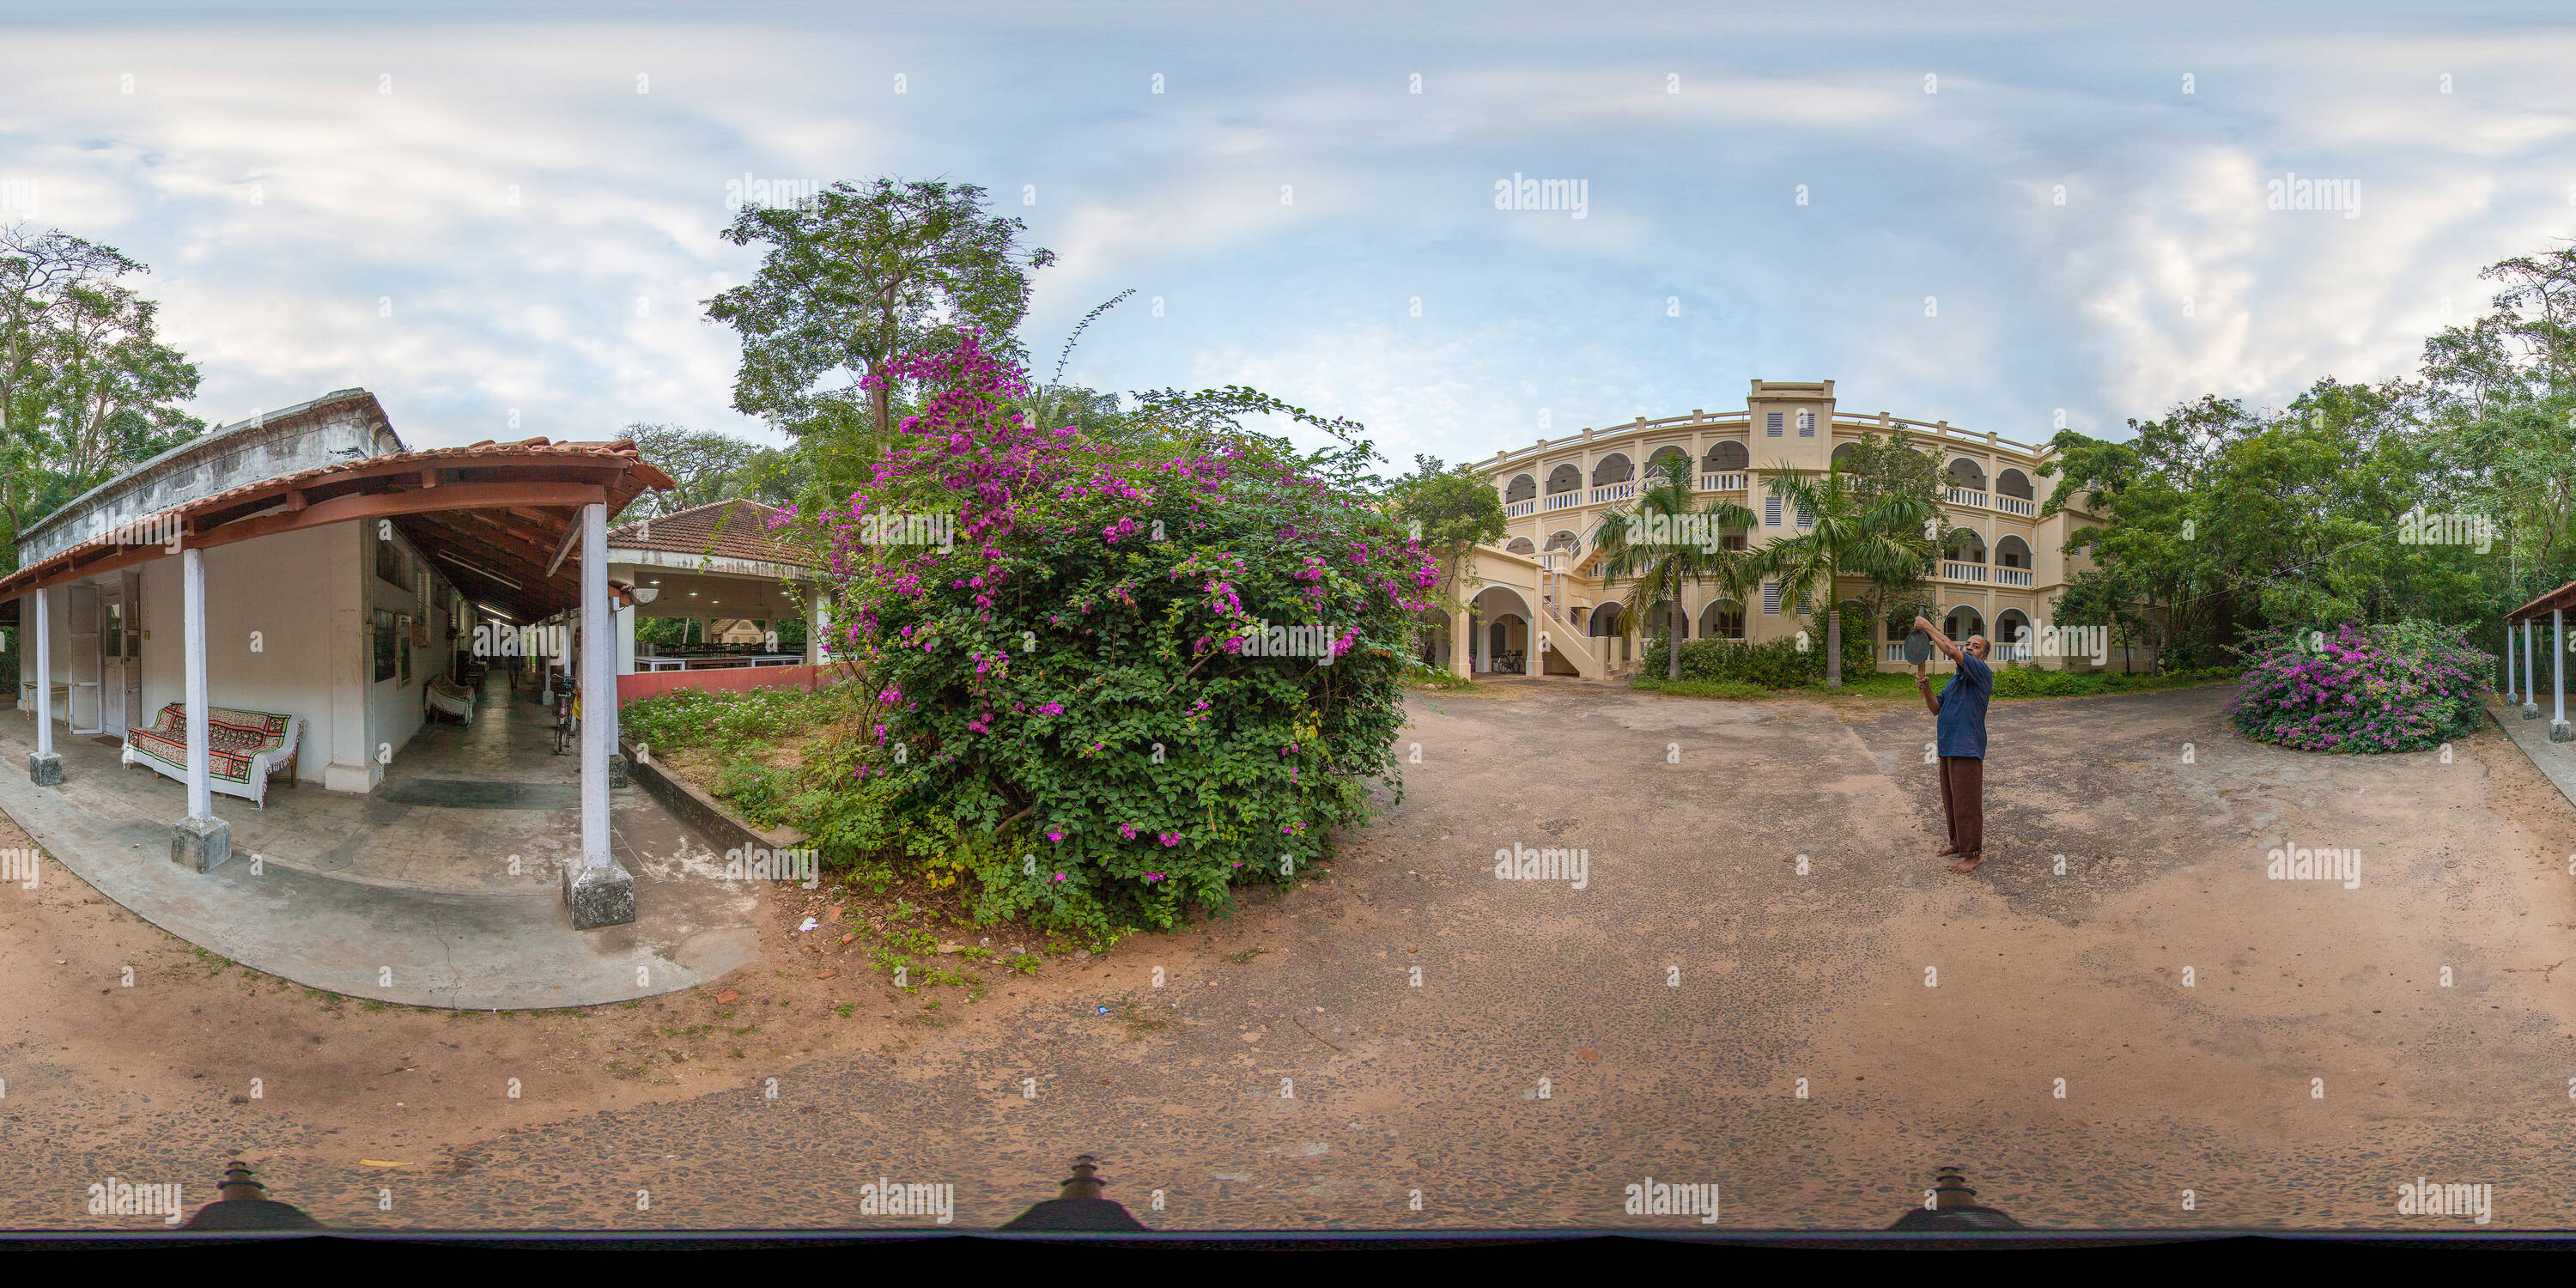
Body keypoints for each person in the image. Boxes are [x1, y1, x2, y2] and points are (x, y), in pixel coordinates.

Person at [1913, 615, 1992, 874]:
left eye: (1975, 646)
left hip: (1967, 748)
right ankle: (1957, 843)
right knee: (1952, 800)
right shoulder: (1955, 681)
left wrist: (1928, 627)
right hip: (1947, 747)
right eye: (1967, 643)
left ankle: (1974, 854)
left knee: (1967, 802)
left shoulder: (1981, 673)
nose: (1969, 647)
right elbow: (1937, 708)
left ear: (1982, 657)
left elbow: (1950, 650)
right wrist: (1926, 690)